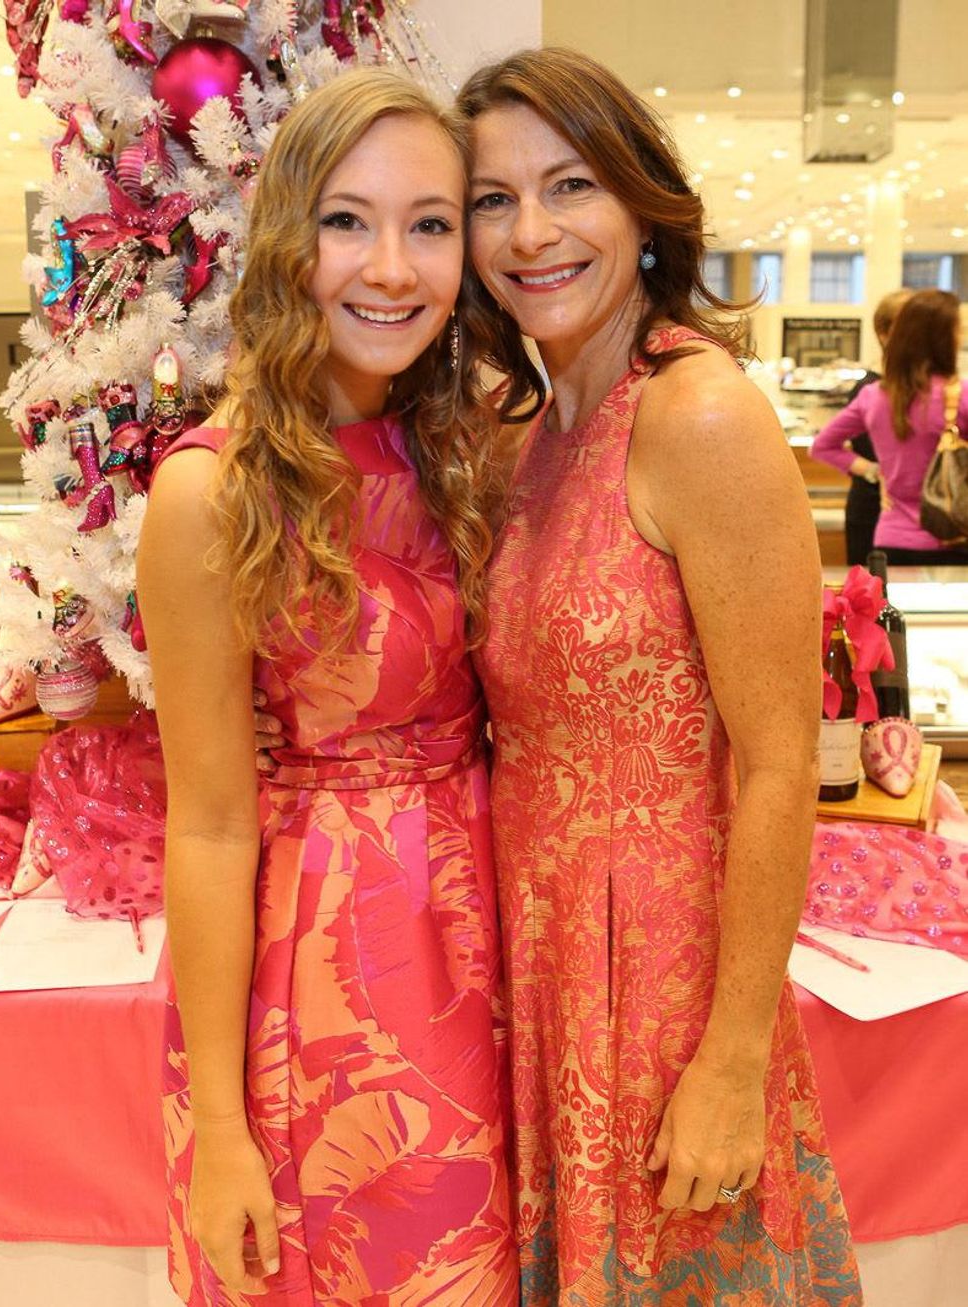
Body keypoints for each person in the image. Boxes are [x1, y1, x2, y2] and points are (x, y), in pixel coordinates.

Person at [458, 48, 862, 1304]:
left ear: (640, 208)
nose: (530, 232)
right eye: (488, 199)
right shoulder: (518, 431)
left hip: (663, 980)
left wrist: (732, 1057)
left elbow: (780, 758)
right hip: (536, 957)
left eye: (569, 185)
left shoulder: (697, 414)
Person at [137, 69, 518, 1306]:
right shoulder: (212, 491)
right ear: (289, 235)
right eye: (349, 220)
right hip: (330, 974)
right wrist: (230, 1124)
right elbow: (203, 819)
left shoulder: (469, 436)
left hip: (491, 934)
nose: (392, 269)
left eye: (430, 223)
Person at [813, 287, 968, 566]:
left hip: (890, 540)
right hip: (953, 537)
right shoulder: (961, 395)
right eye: (959, 329)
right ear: (943, 338)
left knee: (893, 610)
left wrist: (876, 471)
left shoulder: (874, 395)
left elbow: (823, 445)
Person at [812, 289, 912, 564]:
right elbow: (825, 446)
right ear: (885, 333)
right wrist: (876, 472)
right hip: (872, 508)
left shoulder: (929, 388)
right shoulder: (868, 389)